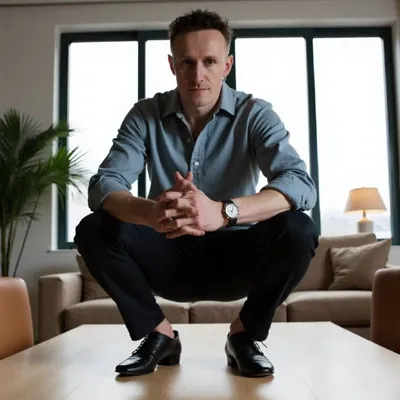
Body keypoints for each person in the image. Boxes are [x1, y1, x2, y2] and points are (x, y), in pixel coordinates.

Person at [74, 9, 319, 378]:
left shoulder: (256, 114)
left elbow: (300, 183)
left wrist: (224, 212)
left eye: (210, 62)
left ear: (227, 65)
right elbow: (104, 185)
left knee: (299, 228)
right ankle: (159, 335)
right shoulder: (145, 114)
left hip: (237, 258)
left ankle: (244, 336)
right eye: (187, 62)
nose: (197, 74)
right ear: (172, 65)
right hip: (166, 254)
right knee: (93, 228)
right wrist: (151, 213)